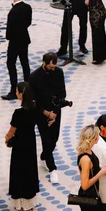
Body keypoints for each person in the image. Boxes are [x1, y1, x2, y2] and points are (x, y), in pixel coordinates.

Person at [29, 52, 67, 183]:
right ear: (44, 63)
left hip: (55, 111)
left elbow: (62, 93)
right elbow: (32, 100)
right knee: (46, 139)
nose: (52, 69)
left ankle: (44, 156)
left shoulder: (59, 72)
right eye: (50, 67)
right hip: (41, 113)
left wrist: (54, 113)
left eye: (54, 67)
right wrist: (46, 113)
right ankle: (52, 168)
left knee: (54, 138)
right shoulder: (34, 77)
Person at [5, 82, 40, 211]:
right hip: (30, 143)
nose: (15, 93)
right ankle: (30, 202)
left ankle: (21, 204)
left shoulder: (18, 113)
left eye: (17, 91)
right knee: (29, 170)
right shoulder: (34, 109)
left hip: (19, 145)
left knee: (19, 171)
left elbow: (11, 131)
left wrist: (7, 139)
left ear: (21, 94)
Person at [76, 125, 106, 211]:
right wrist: (100, 173)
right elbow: (85, 184)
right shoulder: (85, 158)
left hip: (92, 193)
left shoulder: (89, 151)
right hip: (88, 196)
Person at [2, 0, 32, 100]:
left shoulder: (13, 12)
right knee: (25, 63)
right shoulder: (28, 7)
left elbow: (9, 29)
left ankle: (13, 89)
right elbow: (28, 23)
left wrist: (9, 37)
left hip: (14, 42)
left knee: (11, 64)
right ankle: (28, 88)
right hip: (24, 39)